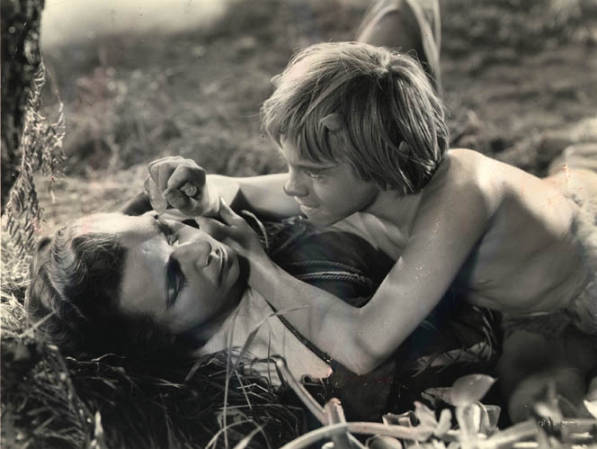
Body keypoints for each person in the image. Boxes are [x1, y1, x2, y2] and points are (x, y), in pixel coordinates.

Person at [138, 42, 597, 419]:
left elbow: (362, 346)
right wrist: (197, 189)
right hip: (530, 301)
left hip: (586, 271)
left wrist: (254, 260)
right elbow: (238, 189)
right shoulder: (363, 183)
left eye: (313, 171)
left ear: (382, 162)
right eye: (290, 165)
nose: (294, 185)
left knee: (550, 412)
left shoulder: (460, 192)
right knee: (532, 399)